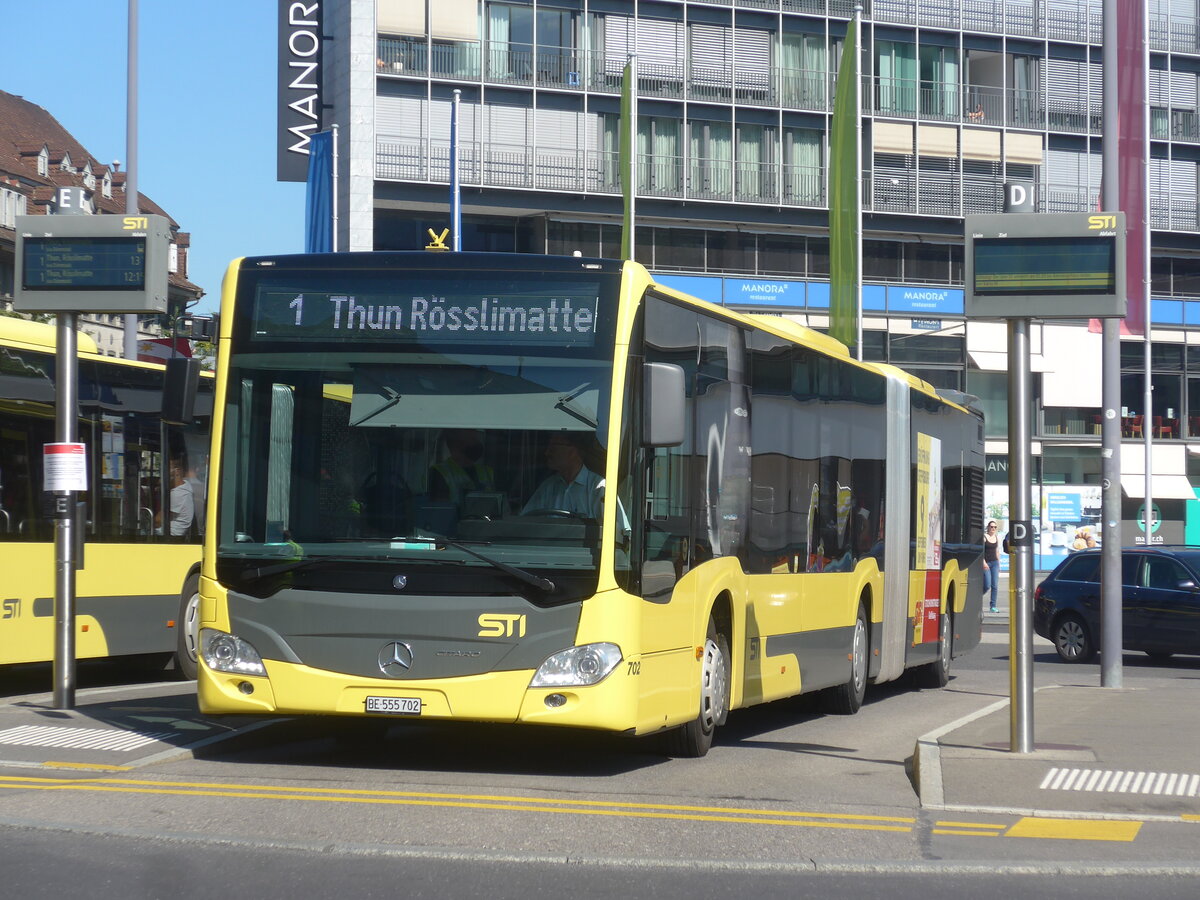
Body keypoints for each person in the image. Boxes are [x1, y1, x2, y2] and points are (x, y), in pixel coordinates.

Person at [521, 432, 605, 520]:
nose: (547, 453)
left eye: (553, 447)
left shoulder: (599, 489)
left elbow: (616, 529)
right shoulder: (548, 487)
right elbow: (525, 522)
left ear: (573, 451)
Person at [428, 429, 497, 507]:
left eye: (477, 438)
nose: (477, 442)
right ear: (455, 443)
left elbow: (500, 506)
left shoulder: (487, 472)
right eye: (472, 438)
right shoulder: (439, 473)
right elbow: (440, 511)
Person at [982, 520, 1001, 613]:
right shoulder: (985, 537)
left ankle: (993, 606)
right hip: (986, 563)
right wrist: (983, 562)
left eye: (995, 527)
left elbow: (997, 551)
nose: (993, 529)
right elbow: (981, 551)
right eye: (991, 527)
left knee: (995, 586)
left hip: (994, 563)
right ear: (988, 527)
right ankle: (977, 598)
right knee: (987, 585)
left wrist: (999, 563)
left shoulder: (997, 538)